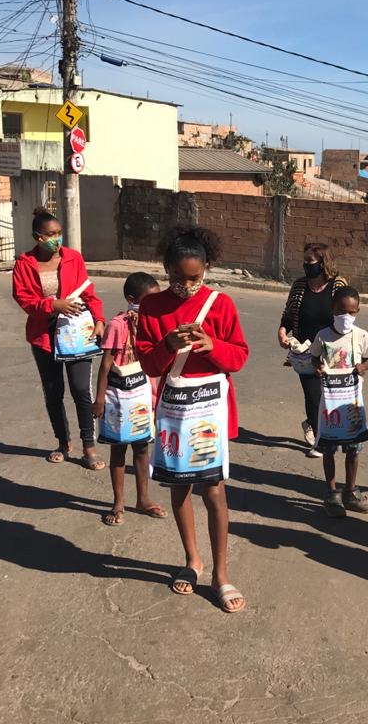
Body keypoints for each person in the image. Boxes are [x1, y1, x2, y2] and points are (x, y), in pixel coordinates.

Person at [135, 225, 249, 614]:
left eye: (194, 278)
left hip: (210, 410)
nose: (186, 286)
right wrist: (167, 345)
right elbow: (149, 364)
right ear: (166, 269)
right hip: (173, 411)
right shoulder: (151, 307)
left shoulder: (221, 304)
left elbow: (239, 356)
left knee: (214, 490)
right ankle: (192, 560)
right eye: (178, 278)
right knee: (180, 486)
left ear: (207, 268)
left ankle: (221, 574)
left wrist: (212, 346)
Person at [12, 209, 106, 470]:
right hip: (44, 336)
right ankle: (63, 443)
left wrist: (99, 320)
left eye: (59, 233)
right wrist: (53, 305)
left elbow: (88, 292)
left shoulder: (73, 258)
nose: (57, 238)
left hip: (77, 334)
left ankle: (89, 446)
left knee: (81, 390)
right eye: (51, 234)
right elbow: (24, 299)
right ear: (38, 237)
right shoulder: (24, 264)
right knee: (54, 392)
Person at [93, 272, 167, 526]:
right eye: (149, 300)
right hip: (117, 399)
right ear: (132, 300)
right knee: (118, 450)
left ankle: (143, 499)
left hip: (141, 397)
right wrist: (99, 399)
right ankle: (119, 502)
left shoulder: (150, 324)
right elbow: (106, 364)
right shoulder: (117, 325)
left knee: (142, 448)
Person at [310, 286, 368, 518]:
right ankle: (331, 494)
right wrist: (318, 367)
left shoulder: (361, 335)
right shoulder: (323, 336)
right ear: (333, 309)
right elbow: (314, 357)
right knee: (329, 448)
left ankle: (350, 491)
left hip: (352, 402)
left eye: (351, 312)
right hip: (330, 403)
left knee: (353, 448)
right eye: (341, 311)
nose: (346, 316)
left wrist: (362, 367)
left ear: (357, 311)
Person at [278, 243, 348, 457]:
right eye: (305, 261)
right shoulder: (299, 285)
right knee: (313, 395)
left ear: (323, 263)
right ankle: (320, 441)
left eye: (310, 262)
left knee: (331, 395)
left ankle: (312, 422)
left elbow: (346, 315)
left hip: (332, 350)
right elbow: (288, 314)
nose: (306, 266)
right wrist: (282, 332)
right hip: (304, 351)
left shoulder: (337, 285)